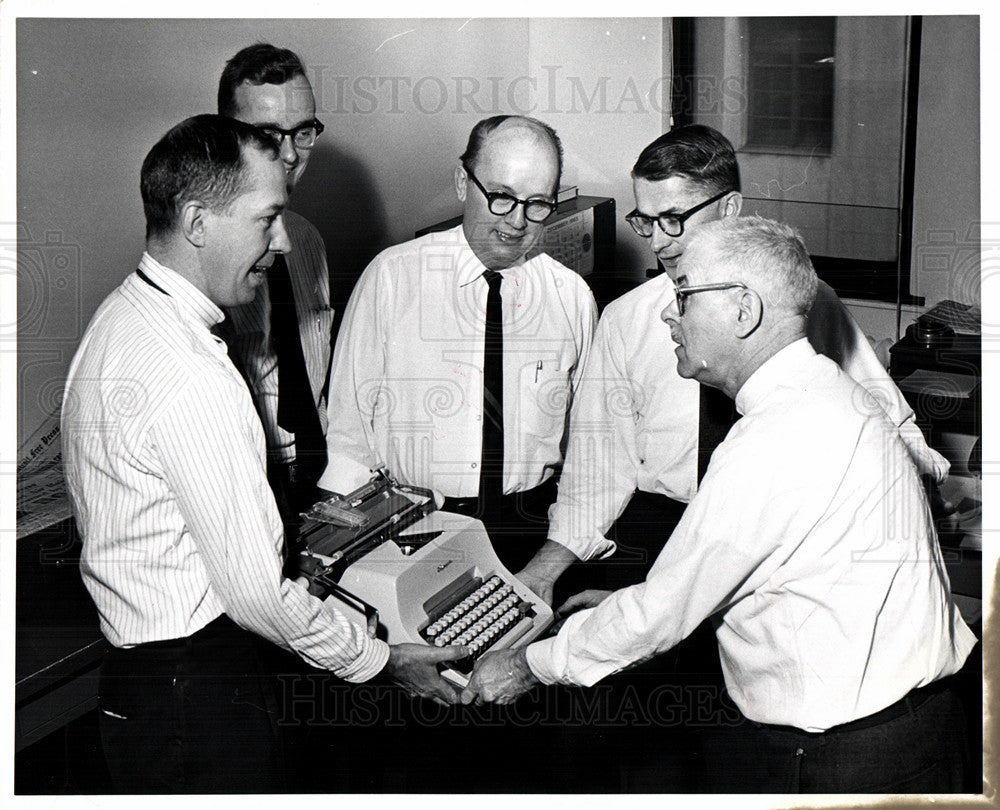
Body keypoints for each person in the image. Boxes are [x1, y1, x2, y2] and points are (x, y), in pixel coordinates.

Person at [462, 216, 977, 793]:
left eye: (683, 294)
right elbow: (791, 566)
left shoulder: (769, 439)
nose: (666, 313)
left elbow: (658, 617)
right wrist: (640, 599)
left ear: (742, 309)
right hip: (915, 732)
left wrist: (526, 664)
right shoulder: (828, 389)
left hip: (846, 757)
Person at [61, 115, 467, 794]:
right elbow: (254, 595)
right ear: (197, 221)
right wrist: (379, 659)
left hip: (146, 684)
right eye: (266, 218)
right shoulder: (189, 370)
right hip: (197, 693)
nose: (281, 243)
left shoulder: (120, 320)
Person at [518, 124, 949, 602]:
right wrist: (543, 572)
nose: (659, 243)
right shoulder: (625, 320)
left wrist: (918, 495)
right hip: (663, 525)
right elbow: (597, 471)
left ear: (729, 209)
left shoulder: (807, 302)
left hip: (770, 531)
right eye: (646, 221)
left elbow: (888, 422)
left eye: (674, 219)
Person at [320, 114, 597, 571]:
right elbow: (349, 437)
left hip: (528, 531)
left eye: (537, 204)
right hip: (413, 526)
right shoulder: (393, 278)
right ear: (462, 182)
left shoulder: (572, 298)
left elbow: (585, 449)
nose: (518, 222)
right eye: (502, 197)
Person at [217, 43, 333, 522]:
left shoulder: (306, 240)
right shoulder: (206, 258)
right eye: (267, 133)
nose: (288, 155)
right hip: (246, 485)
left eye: (302, 132)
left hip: (321, 474)